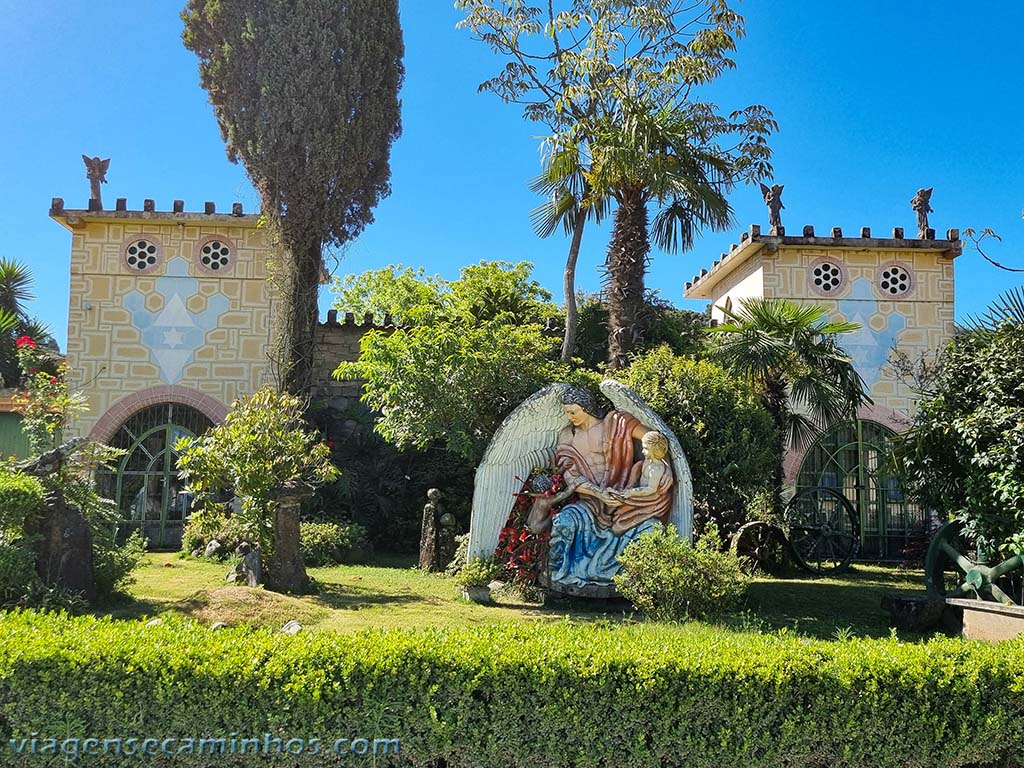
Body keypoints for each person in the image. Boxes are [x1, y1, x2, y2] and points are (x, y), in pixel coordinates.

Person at [546, 387, 673, 589]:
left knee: (650, 529)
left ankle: (631, 582)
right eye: (566, 412)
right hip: (589, 502)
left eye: (573, 412)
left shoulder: (615, 424)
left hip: (624, 496)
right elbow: (571, 477)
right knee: (564, 522)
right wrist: (597, 493)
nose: (568, 417)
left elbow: (653, 438)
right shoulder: (567, 436)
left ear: (586, 408)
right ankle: (558, 578)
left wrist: (663, 466)